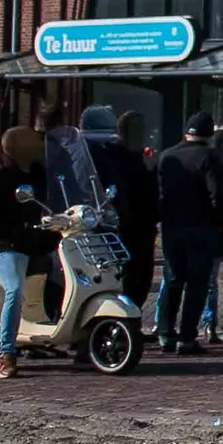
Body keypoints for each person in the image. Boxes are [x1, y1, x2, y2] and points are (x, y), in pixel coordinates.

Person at [0, 122, 56, 381]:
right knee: (15, 288)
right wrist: (16, 231)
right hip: (5, 244)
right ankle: (7, 353)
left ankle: (58, 337)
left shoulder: (39, 174)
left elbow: (54, 201)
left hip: (37, 241)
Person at [150, 112, 223, 353]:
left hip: (172, 227)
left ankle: (165, 333)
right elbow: (218, 195)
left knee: (173, 280)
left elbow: (158, 193)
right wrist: (219, 222)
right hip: (201, 228)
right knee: (197, 284)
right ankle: (187, 337)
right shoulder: (210, 157)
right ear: (209, 135)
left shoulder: (167, 156)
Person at [80, 103, 158, 303]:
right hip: (121, 224)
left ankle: (134, 318)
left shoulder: (140, 157)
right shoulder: (109, 155)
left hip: (142, 224)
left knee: (141, 275)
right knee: (127, 274)